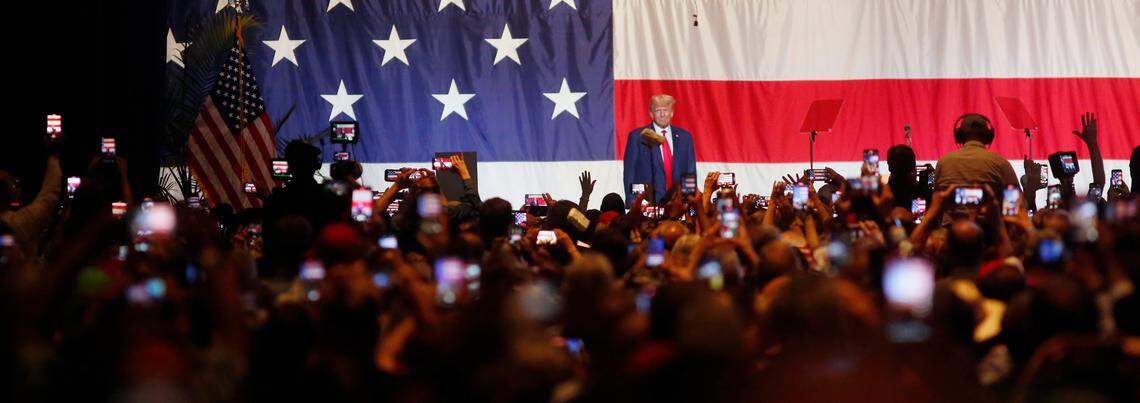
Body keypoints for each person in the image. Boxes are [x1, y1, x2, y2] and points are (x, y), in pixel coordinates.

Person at [623, 94, 697, 205]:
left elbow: (690, 173)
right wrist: (633, 202)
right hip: (647, 203)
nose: (662, 114)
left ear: (672, 113)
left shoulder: (685, 138)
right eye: (658, 111)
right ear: (651, 114)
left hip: (677, 204)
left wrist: (689, 201)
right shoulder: (637, 137)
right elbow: (630, 172)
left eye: (665, 110)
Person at [934, 113, 1018, 192]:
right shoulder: (1001, 163)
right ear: (988, 137)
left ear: (959, 136)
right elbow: (1017, 204)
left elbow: (936, 198)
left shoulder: (943, 163)